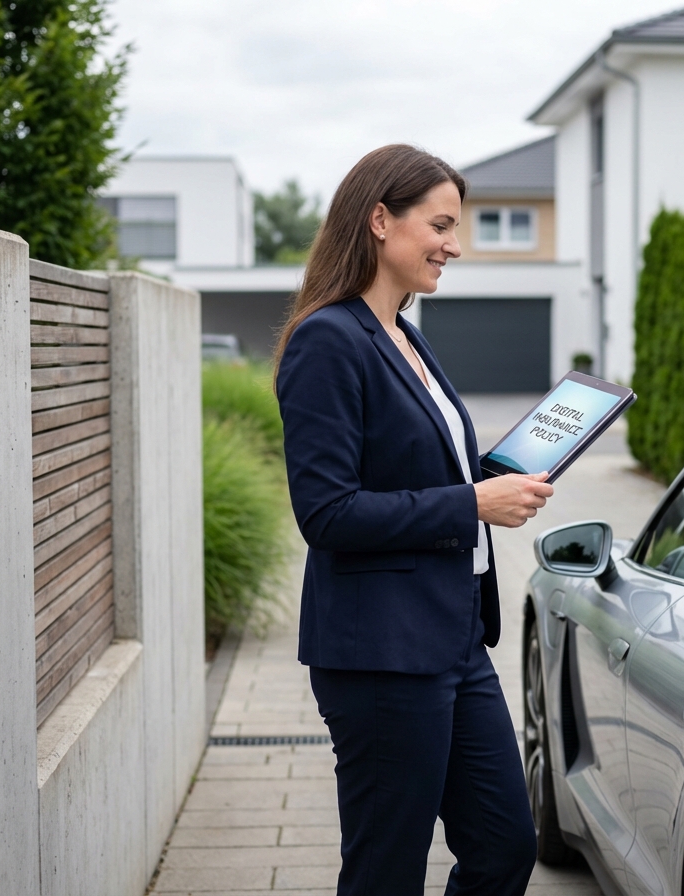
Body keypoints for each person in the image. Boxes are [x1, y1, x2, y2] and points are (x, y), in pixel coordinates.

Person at [271, 144, 553, 896]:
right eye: (440, 225)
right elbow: (326, 513)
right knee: (387, 869)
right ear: (378, 220)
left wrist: (492, 478)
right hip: (380, 653)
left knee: (503, 845)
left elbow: (414, 468)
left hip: (454, 637)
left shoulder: (404, 331)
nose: (454, 245)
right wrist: (471, 504)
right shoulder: (328, 340)